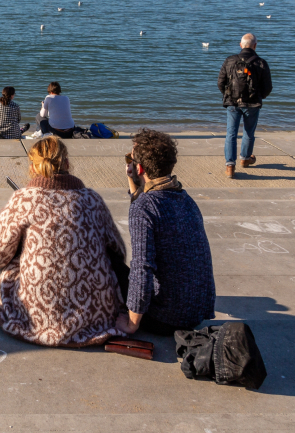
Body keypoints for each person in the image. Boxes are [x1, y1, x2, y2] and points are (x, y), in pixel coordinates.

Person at [0, 136, 127, 346]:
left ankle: (36, 311)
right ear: (67, 164)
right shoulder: (92, 199)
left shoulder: (24, 199)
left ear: (33, 168)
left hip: (37, 316)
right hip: (96, 314)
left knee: (14, 255)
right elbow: (118, 251)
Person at [117, 129, 216, 336]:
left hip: (166, 319)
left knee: (112, 262)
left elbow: (142, 267)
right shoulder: (185, 199)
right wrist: (133, 178)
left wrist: (132, 324)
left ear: (140, 167)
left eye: (131, 160)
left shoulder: (144, 207)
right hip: (197, 314)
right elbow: (144, 198)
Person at [217, 33, 273, 178]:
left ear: (241, 45)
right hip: (253, 103)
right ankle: (245, 158)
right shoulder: (261, 63)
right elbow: (267, 87)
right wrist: (260, 96)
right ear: (255, 45)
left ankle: (230, 165)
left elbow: (220, 83)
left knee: (231, 133)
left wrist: (227, 94)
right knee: (249, 132)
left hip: (232, 103)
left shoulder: (229, 61)